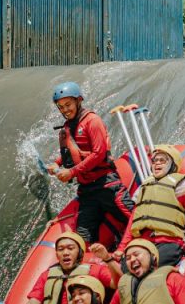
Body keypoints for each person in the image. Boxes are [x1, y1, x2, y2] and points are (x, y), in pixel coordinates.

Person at [103, 144, 185, 268]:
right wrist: (122, 248)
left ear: (172, 164)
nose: (157, 163)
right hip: (143, 244)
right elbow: (133, 222)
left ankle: (183, 267)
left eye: (162, 160)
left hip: (168, 243)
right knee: (126, 270)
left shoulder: (181, 185)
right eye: (154, 160)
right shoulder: (144, 188)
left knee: (147, 267)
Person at [47, 81, 133, 246]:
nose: (65, 110)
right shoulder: (67, 127)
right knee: (83, 237)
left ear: (78, 100)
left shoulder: (92, 121)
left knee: (134, 219)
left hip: (106, 184)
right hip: (87, 190)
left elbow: (98, 154)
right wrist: (56, 163)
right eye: (61, 107)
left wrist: (71, 172)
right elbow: (70, 154)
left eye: (68, 104)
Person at [15, 231, 113, 304]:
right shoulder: (47, 275)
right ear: (57, 254)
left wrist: (108, 259)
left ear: (80, 252)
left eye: (70, 248)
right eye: (60, 249)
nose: (65, 253)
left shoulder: (95, 270)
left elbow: (117, 284)